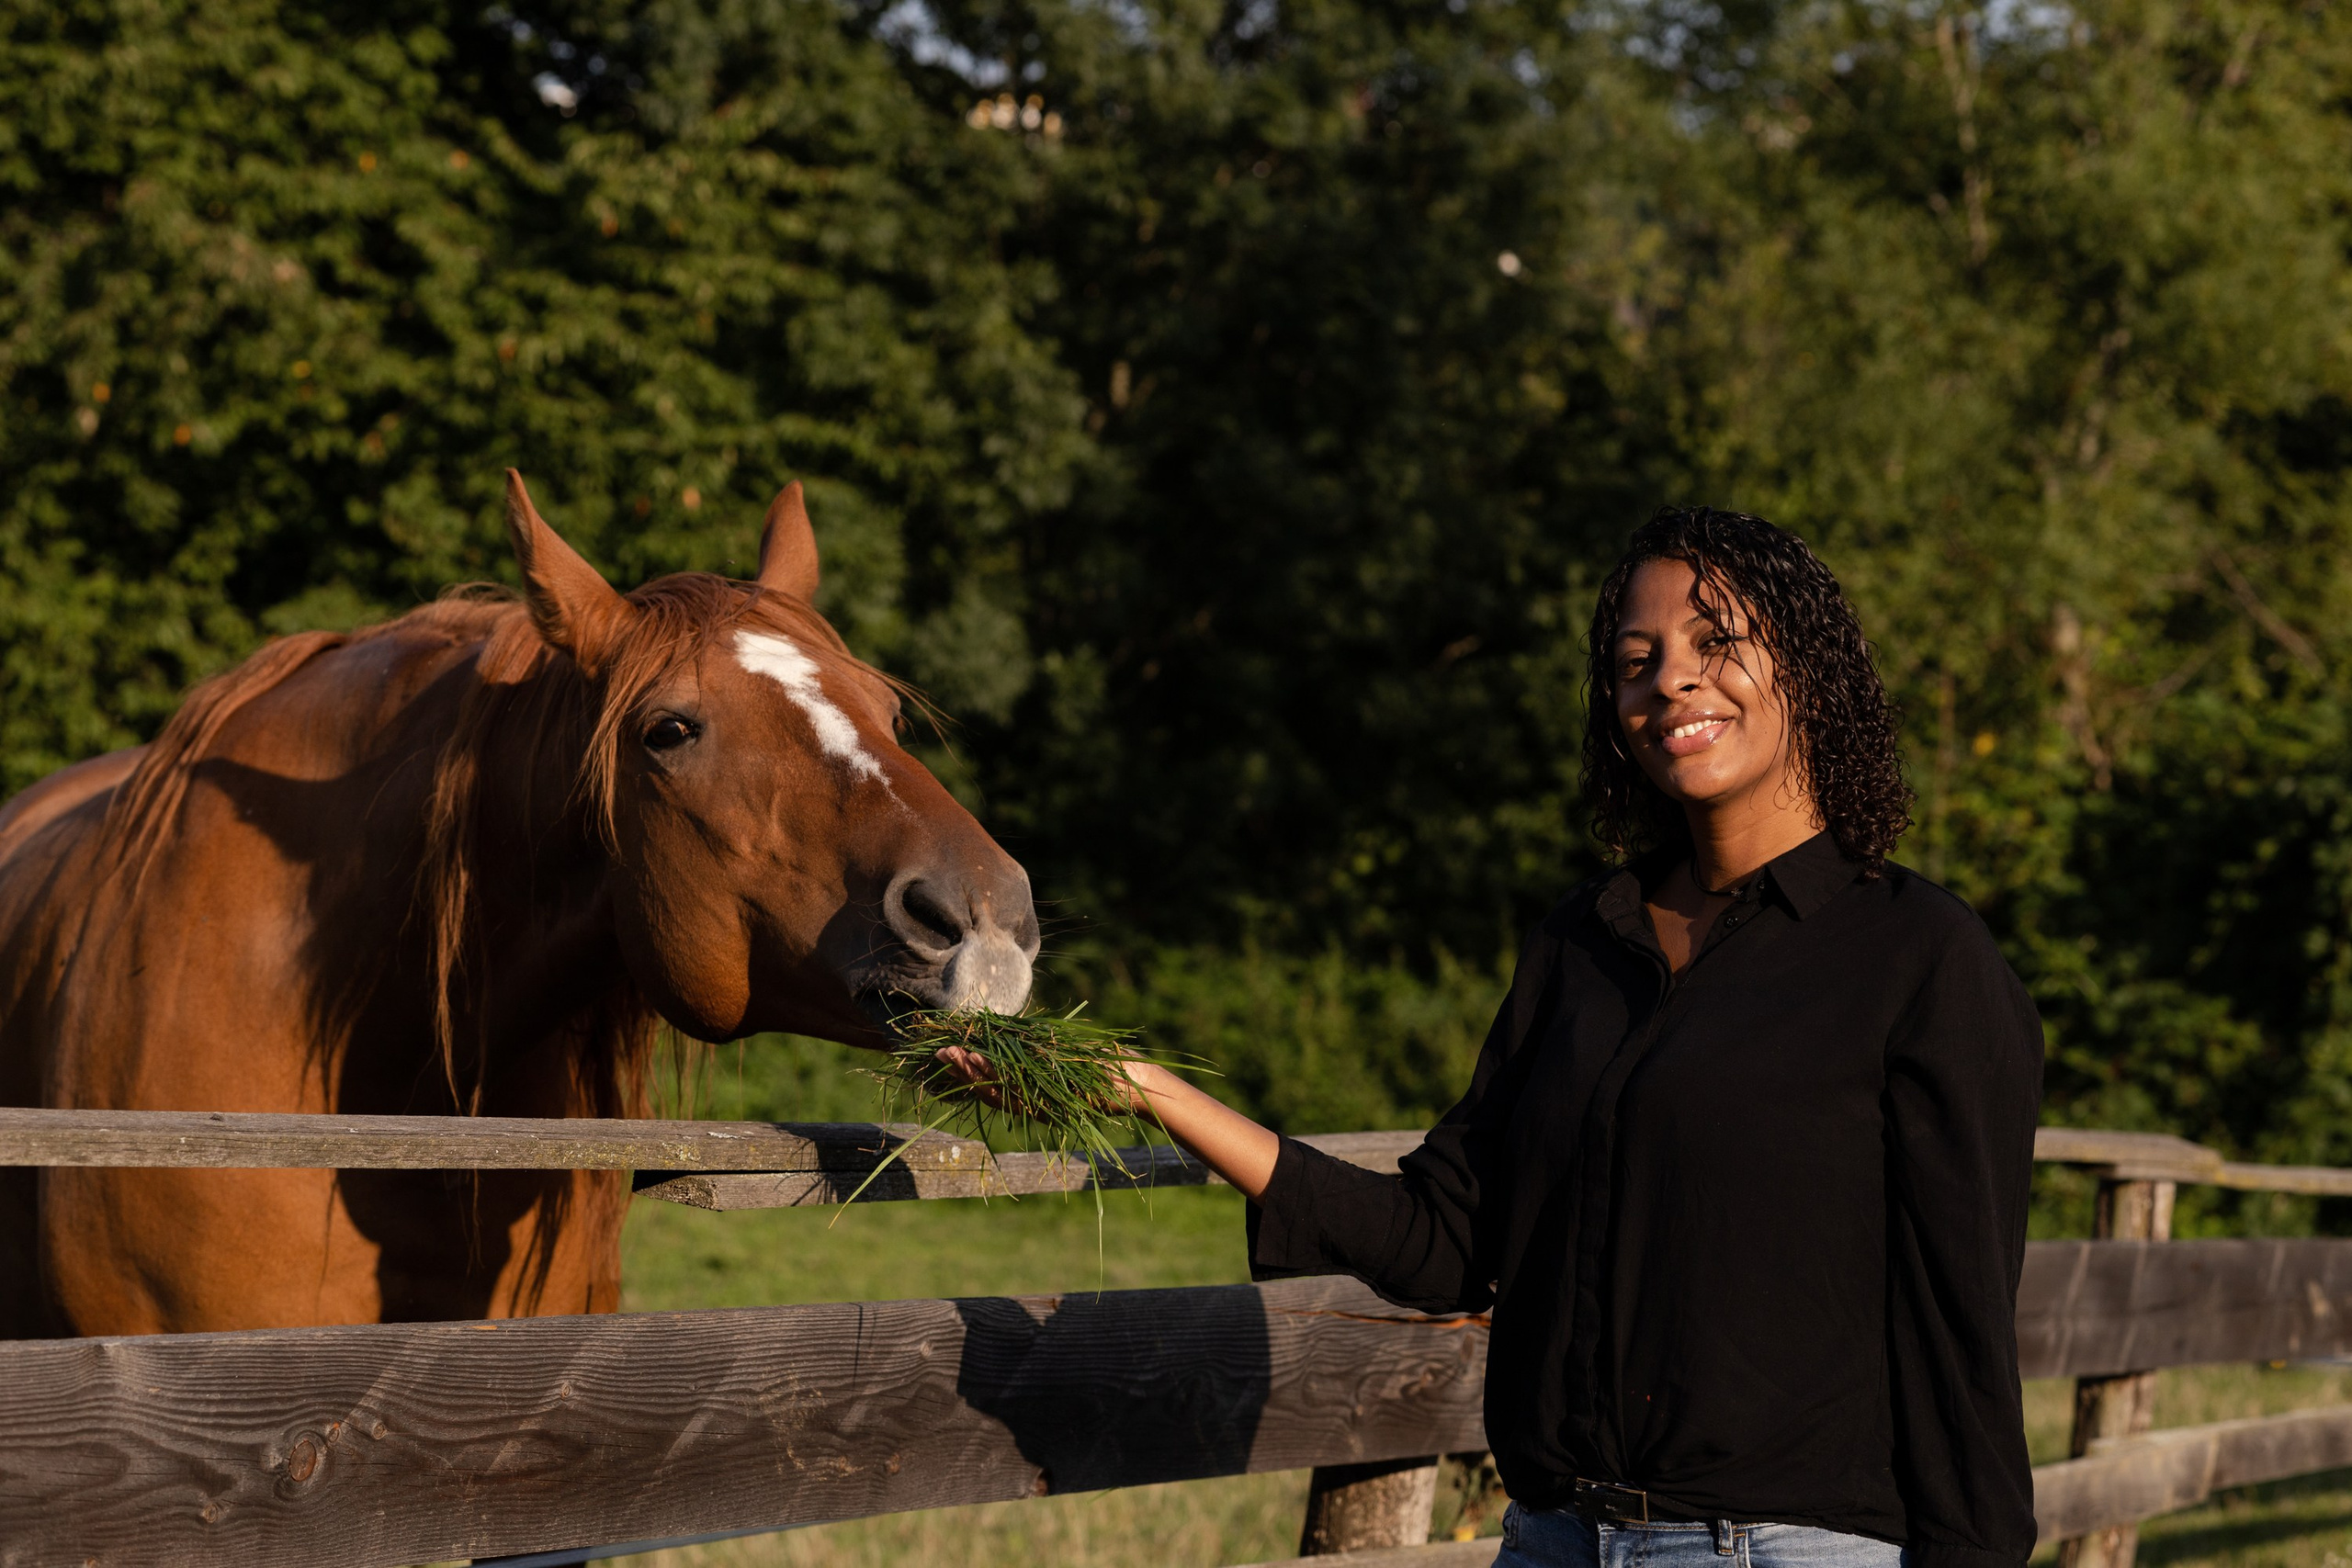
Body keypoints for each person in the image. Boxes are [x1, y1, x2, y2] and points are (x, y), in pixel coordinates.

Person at [944, 507, 2045, 1568]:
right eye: (1633, 659)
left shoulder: (1918, 960)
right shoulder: (1583, 942)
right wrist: (1152, 1092)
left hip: (1788, 1552)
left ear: (1805, 666)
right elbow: (1443, 1242)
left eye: (1715, 642)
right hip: (1554, 1541)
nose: (1668, 678)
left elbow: (1961, 1331)